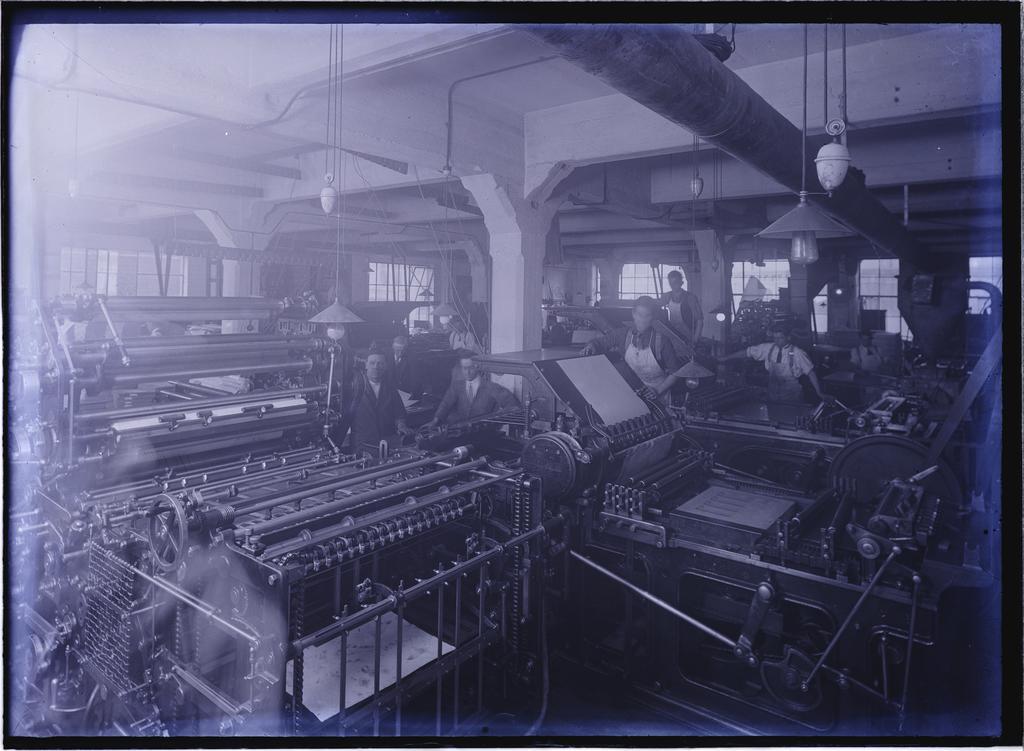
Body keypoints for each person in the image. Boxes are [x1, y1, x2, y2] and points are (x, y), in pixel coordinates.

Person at [580, 295, 684, 404]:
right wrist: (591, 346)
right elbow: (600, 342)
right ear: (633, 314)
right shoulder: (622, 335)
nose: (642, 320)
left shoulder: (662, 341)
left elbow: (675, 372)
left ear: (653, 317)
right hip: (632, 392)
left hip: (658, 394)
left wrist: (658, 391)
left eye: (647, 316)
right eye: (639, 315)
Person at [720, 326, 827, 403]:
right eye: (775, 338)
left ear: (788, 337)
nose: (777, 341)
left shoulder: (798, 353)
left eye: (780, 338)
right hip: (773, 394)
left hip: (792, 395)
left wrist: (819, 392)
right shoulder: (768, 348)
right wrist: (726, 358)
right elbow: (747, 352)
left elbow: (810, 372)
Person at [425, 350, 519, 427]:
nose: (467, 372)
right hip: (461, 433)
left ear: (477, 367)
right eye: (464, 368)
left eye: (470, 368)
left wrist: (496, 420)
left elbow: (514, 406)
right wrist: (436, 420)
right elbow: (446, 404)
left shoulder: (491, 387)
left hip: (485, 435)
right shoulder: (456, 386)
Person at [345, 349, 413, 450]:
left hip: (387, 442)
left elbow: (399, 414)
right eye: (372, 363)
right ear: (366, 365)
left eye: (380, 363)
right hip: (362, 444)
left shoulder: (390, 388)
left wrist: (401, 425)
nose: (376, 367)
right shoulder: (355, 387)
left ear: (385, 366)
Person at [660, 270, 703, 342]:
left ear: (681, 282)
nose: (673, 286)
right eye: (671, 283)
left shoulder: (690, 298)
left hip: (687, 334)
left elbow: (700, 320)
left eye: (675, 282)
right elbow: (657, 307)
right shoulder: (667, 296)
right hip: (672, 333)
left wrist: (695, 339)